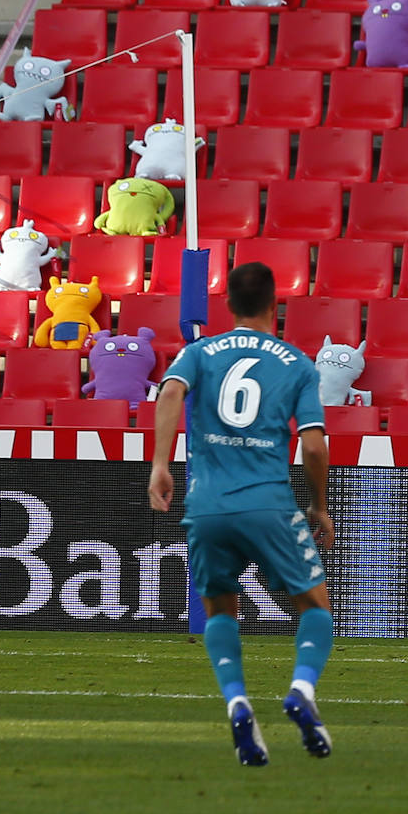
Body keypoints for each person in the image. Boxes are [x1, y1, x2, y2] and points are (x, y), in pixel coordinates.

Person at [148, 262, 335, 767]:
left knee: (219, 612)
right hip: (268, 503)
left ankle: (236, 700)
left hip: (207, 506)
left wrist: (161, 465)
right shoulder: (297, 364)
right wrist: (318, 504)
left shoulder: (198, 351)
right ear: (276, 304)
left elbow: (168, 393)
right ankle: (300, 691)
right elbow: (314, 446)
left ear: (226, 305)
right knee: (316, 609)